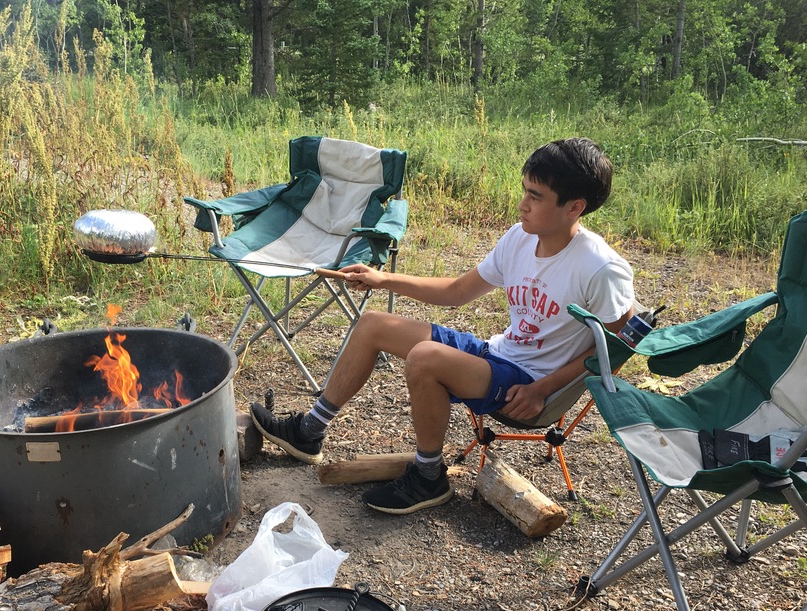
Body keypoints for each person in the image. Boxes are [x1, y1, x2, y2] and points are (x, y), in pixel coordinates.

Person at [250, 137, 636, 515]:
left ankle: (429, 476)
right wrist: (381, 279)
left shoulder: (599, 268)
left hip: (528, 384)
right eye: (524, 191)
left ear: (575, 207)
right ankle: (309, 432)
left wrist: (544, 390)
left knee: (425, 358)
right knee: (372, 325)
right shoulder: (520, 238)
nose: (522, 205)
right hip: (496, 356)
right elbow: (456, 292)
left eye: (535, 197)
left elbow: (617, 345)